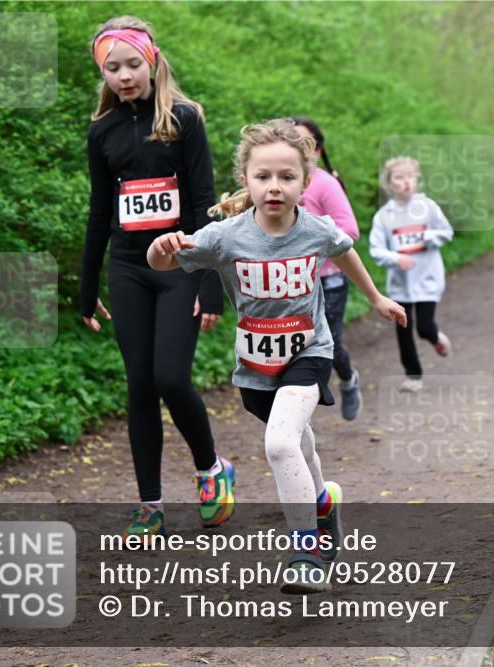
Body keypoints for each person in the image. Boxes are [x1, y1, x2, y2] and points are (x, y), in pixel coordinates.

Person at [148, 119, 406, 592]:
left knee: (281, 443)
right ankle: (324, 502)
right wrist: (158, 247)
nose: (274, 186)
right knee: (299, 444)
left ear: (305, 182)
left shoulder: (314, 228)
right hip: (255, 369)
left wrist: (375, 298)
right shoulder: (225, 236)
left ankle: (305, 552)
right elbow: (165, 261)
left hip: (308, 354)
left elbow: (343, 249)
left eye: (287, 177)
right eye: (263, 176)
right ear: (245, 179)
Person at [79, 16, 231, 539]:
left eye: (132, 65)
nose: (124, 76)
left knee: (170, 376)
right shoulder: (102, 131)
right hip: (127, 268)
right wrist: (85, 286)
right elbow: (101, 212)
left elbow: (205, 202)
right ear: (103, 73)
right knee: (139, 384)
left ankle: (211, 470)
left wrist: (211, 280)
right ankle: (150, 504)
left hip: (181, 263)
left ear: (153, 60)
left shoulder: (184, 119)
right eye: (111, 68)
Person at [292, 117, 363, 421]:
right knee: (295, 346)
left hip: (328, 279)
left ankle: (348, 380)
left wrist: (313, 241)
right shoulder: (277, 180)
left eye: (304, 142)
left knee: (329, 344)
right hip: (291, 280)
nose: (296, 147)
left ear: (317, 151)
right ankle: (298, 413)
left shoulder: (325, 184)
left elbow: (350, 230)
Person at [369, 157, 454, 393]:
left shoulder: (428, 207)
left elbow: (446, 232)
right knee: (403, 329)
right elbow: (376, 250)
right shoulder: (384, 216)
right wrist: (396, 258)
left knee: (424, 327)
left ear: (416, 180)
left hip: (427, 278)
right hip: (400, 283)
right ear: (389, 183)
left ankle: (435, 338)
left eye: (410, 176)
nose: (406, 182)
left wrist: (428, 237)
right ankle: (413, 375)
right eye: (399, 177)